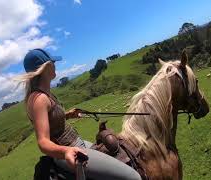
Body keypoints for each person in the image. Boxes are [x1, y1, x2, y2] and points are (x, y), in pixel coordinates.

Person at [18, 48, 141, 180]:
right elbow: (43, 142)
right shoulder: (39, 99)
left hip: (77, 143)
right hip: (69, 150)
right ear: (47, 66)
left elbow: (49, 120)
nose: (55, 66)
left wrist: (67, 115)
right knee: (133, 177)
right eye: (53, 62)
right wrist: (66, 151)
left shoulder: (45, 94)